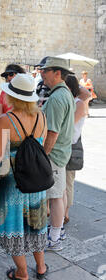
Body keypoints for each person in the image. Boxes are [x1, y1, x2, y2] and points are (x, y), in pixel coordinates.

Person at [0, 73, 48, 280]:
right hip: (37, 180)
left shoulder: (5, 120)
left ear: (12, 97)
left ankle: (22, 272)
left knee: (15, 225)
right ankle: (41, 267)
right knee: (36, 223)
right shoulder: (42, 117)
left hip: (13, 182)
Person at [40, 57, 75, 251]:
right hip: (61, 153)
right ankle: (57, 231)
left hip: (53, 155)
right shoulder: (64, 93)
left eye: (46, 71)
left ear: (58, 73)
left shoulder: (57, 97)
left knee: (54, 197)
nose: (42, 74)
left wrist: (43, 156)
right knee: (59, 194)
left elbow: (52, 133)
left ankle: (54, 238)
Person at [64, 75, 87, 225]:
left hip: (71, 145)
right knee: (61, 181)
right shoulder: (70, 101)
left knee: (68, 182)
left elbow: (69, 124)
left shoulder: (78, 103)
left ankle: (65, 212)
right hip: (64, 144)